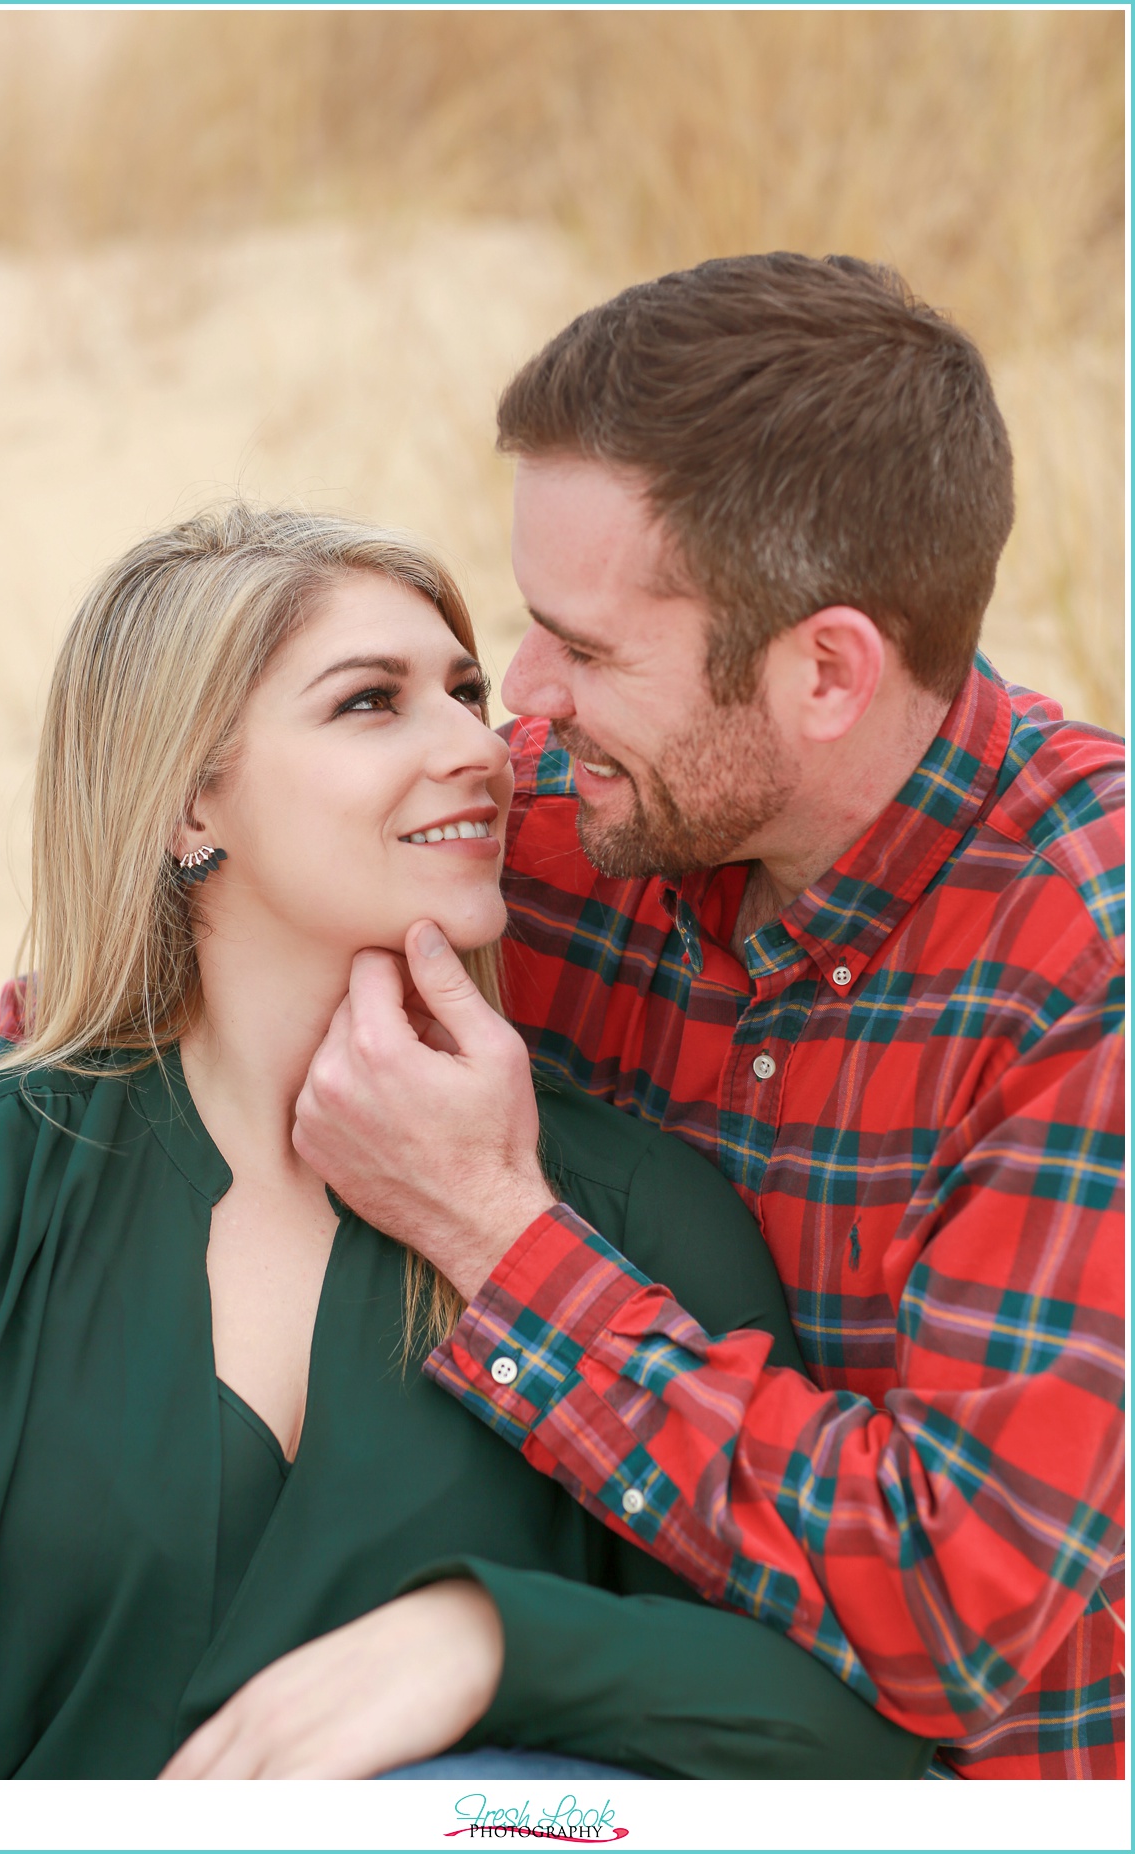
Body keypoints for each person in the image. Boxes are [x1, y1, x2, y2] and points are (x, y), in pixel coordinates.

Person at [286, 255, 1126, 1780]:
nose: (521, 699)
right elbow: (128, 1010)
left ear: (825, 671)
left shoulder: (1090, 967)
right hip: (574, 1668)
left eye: (589, 649)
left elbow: (955, 1607)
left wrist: (490, 1234)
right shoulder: (567, 818)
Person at [0, 503, 933, 1782]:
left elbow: (844, 1723)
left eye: (466, 692)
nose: (480, 747)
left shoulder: (627, 1211)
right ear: (192, 803)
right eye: (371, 701)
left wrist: (501, 1645)